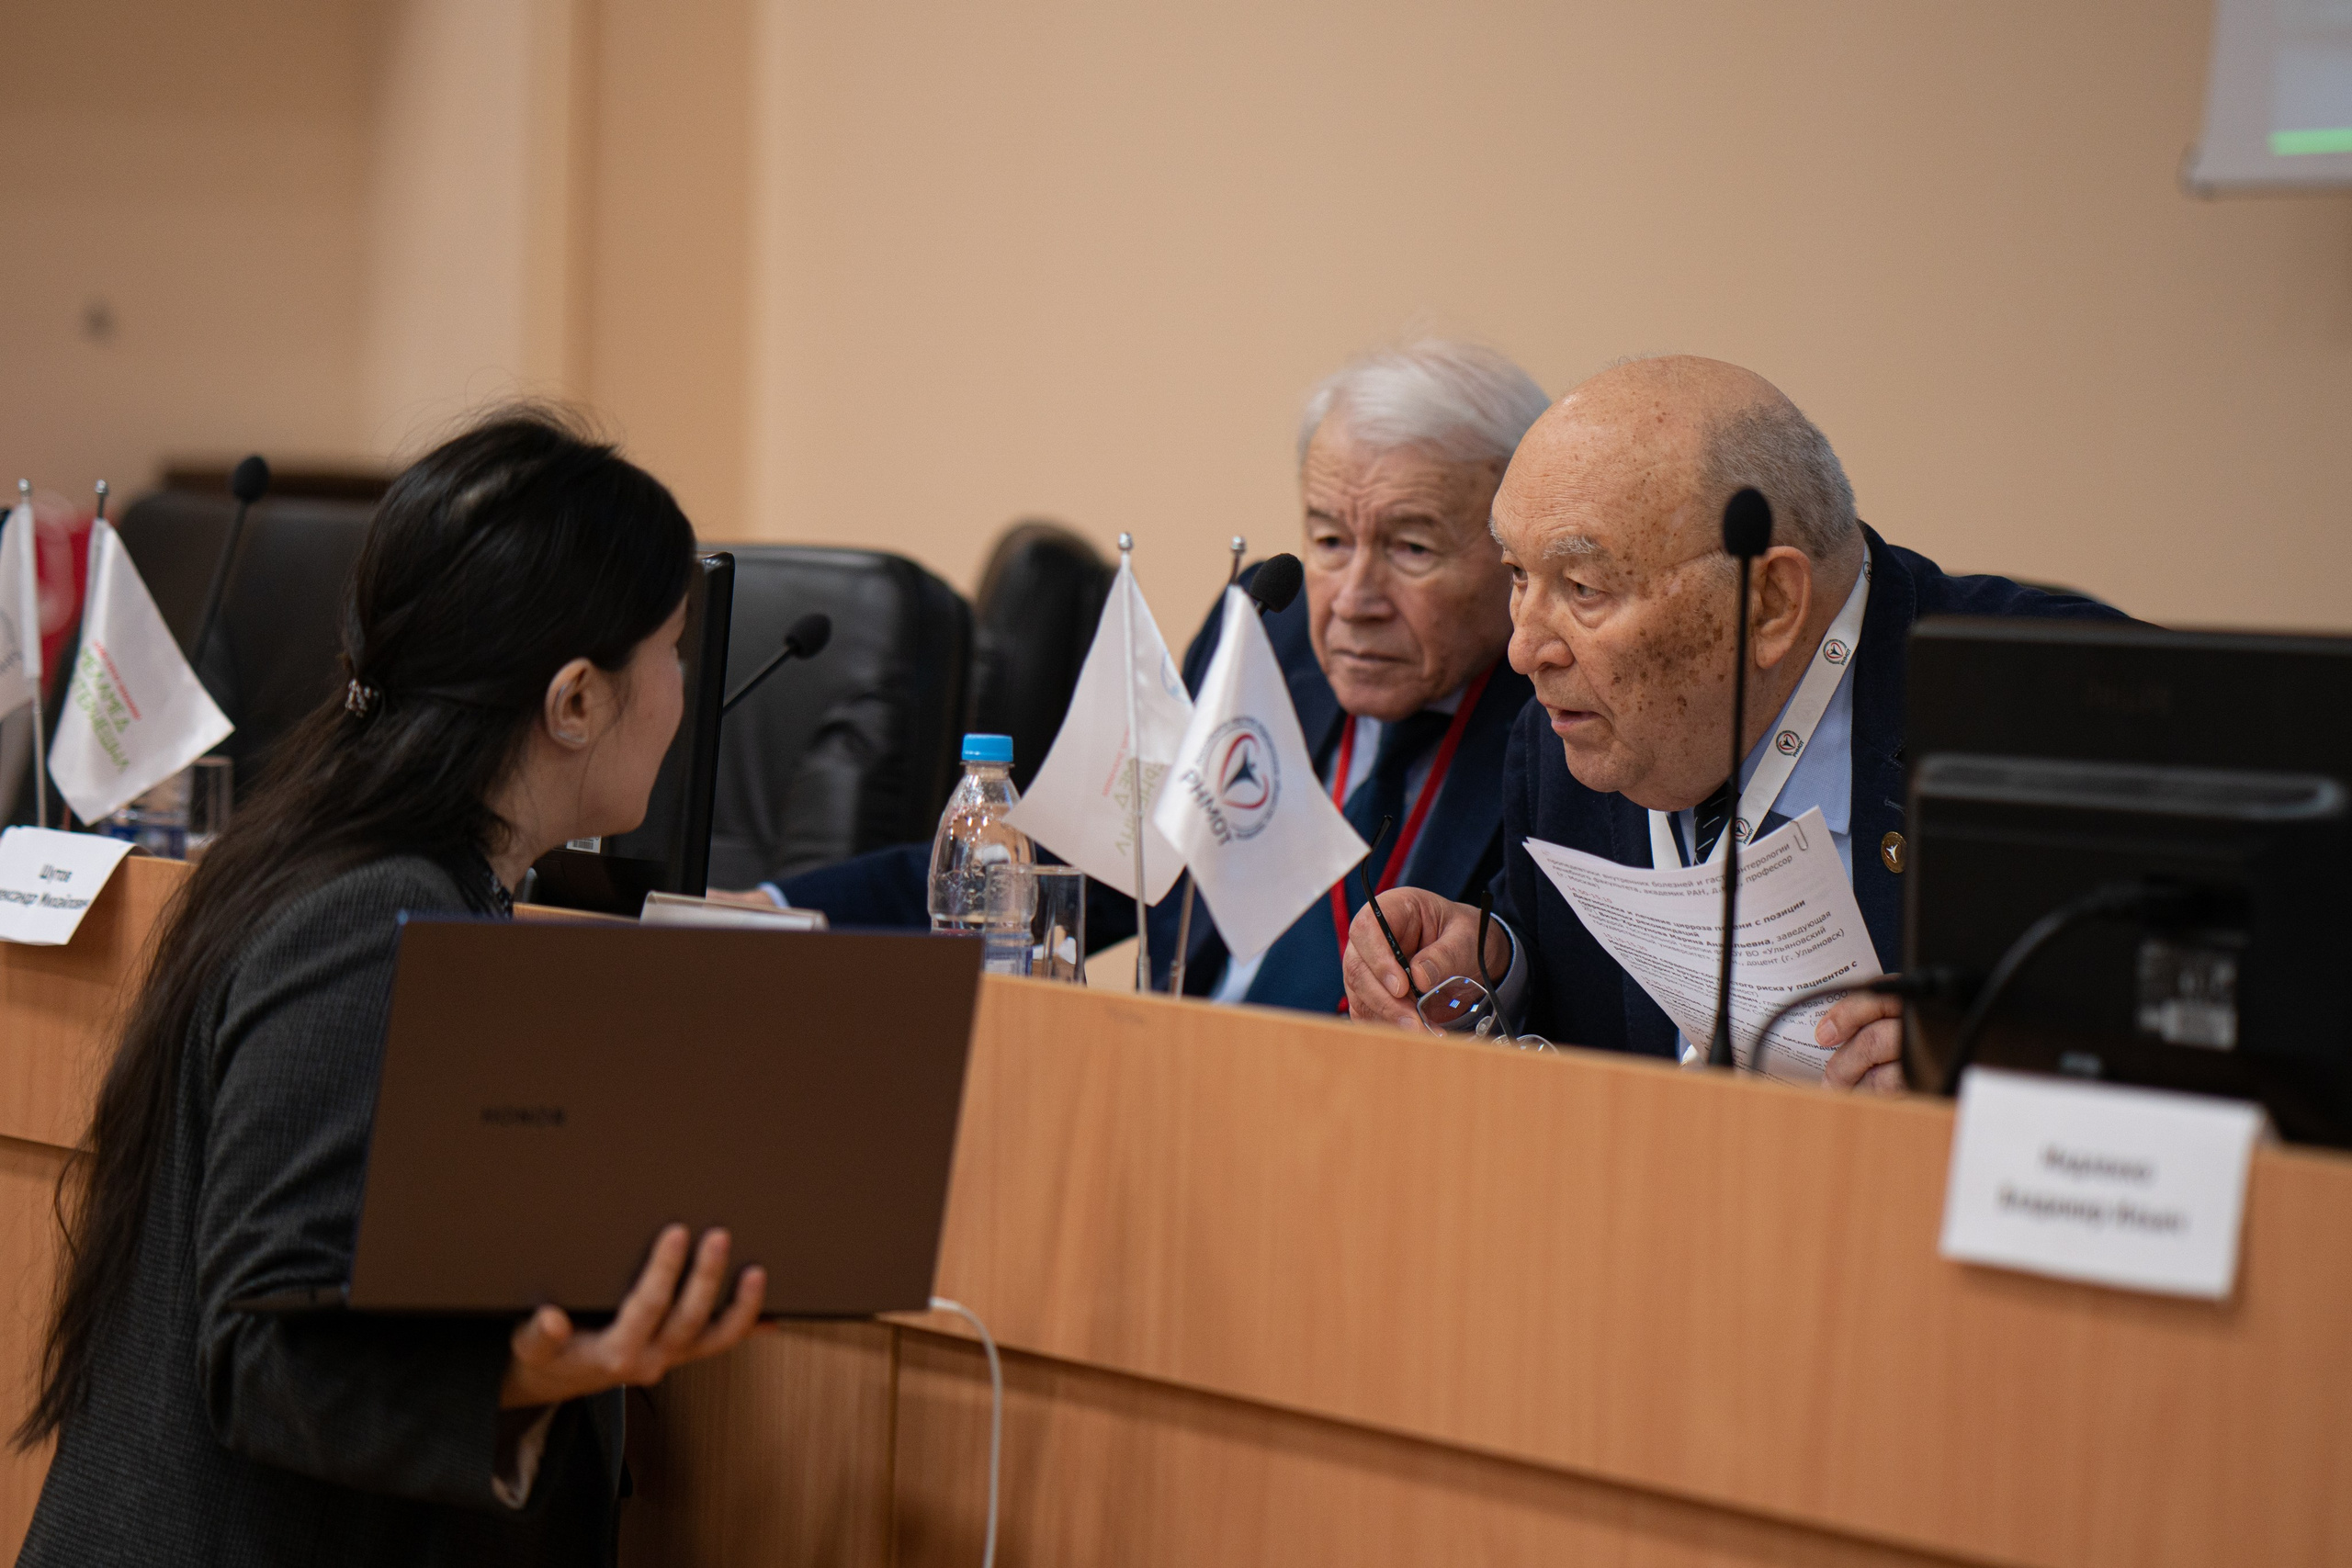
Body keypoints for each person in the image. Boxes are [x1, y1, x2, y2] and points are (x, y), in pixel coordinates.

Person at [16, 412, 766, 1566]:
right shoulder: (369, 919)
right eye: (670, 648)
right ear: (573, 701)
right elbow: (267, 1353)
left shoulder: (360, 871)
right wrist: (526, 1375)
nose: (679, 688)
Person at [1340, 355, 2127, 1087]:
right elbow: (1573, 987)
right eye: (1519, 574)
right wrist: (1490, 964)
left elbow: (2206, 1016)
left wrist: (2008, 1067)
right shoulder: (1563, 734)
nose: (1524, 649)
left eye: (1583, 587)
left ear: (1770, 603)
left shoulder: (2068, 706)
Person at [775, 339, 1550, 1013]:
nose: (1353, 599)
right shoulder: (1262, 641)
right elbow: (1093, 861)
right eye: (1329, 539)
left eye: (1412, 548)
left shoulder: (1557, 725)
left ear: (1512, 552)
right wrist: (779, 912)